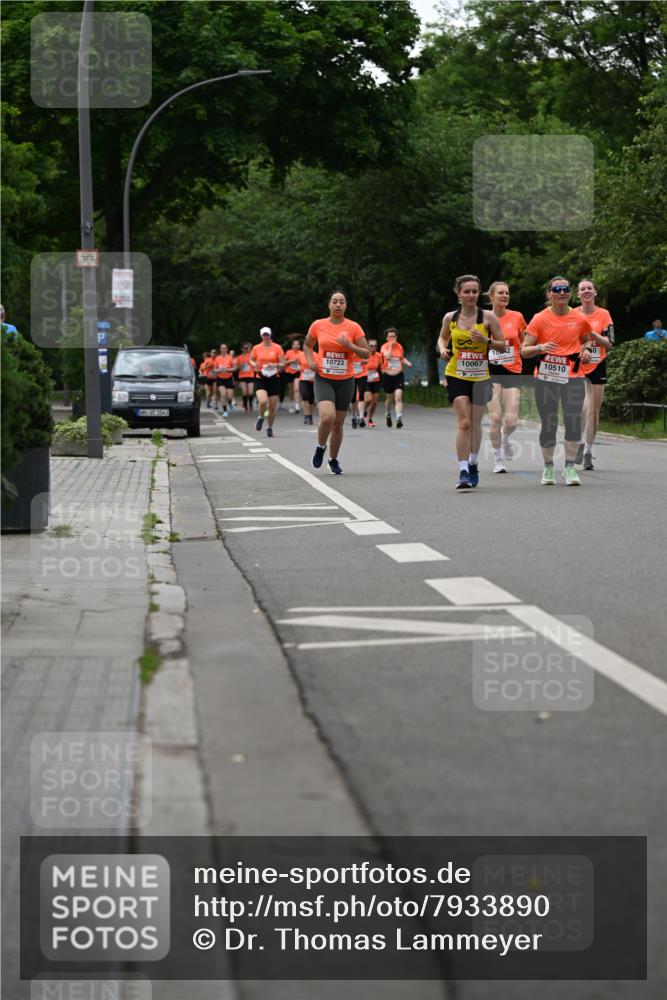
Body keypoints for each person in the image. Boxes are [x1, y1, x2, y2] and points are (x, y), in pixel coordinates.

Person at [521, 276, 595, 486]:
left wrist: (587, 349)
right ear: (549, 294)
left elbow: (586, 338)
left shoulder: (579, 318)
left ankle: (570, 467)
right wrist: (539, 348)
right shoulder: (539, 319)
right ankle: (548, 467)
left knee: (573, 421)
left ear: (570, 293)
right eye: (557, 289)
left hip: (572, 376)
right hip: (546, 378)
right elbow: (524, 351)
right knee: (549, 423)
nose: (562, 292)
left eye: (565, 289)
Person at [437, 274, 505, 489]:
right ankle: (464, 470)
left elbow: (503, 346)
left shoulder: (488, 317)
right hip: (456, 373)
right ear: (458, 294)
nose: (471, 295)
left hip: (481, 376)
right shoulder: (450, 318)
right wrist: (442, 349)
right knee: (464, 422)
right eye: (467, 291)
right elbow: (442, 337)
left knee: (475, 422)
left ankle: (474, 462)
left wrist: (486, 341)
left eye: (475, 291)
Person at [304, 290, 369, 474]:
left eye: (342, 301)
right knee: (327, 416)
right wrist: (310, 361)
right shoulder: (318, 325)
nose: (338, 304)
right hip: (324, 378)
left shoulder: (354, 327)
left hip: (345, 380)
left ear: (346, 305)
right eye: (335, 301)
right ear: (329, 305)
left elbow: (365, 353)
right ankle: (320, 446)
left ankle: (333, 460)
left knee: (338, 424)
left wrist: (349, 345)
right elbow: (308, 345)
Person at [485, 282, 527, 473]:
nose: (504, 295)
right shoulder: (483, 318)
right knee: (495, 418)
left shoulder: (517, 316)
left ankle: (505, 438)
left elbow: (526, 340)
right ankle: (498, 459)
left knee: (511, 421)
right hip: (490, 371)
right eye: (500, 293)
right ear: (491, 296)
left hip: (512, 370)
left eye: (507, 293)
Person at [575, 279, 614, 470]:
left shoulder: (604, 314)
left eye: (589, 288)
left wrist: (593, 334)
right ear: (578, 294)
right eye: (583, 289)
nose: (586, 291)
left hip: (598, 364)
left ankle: (588, 450)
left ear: (595, 292)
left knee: (593, 410)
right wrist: (582, 349)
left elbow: (609, 343)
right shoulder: (572, 314)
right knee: (581, 407)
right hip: (577, 364)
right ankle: (580, 443)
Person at [250, 327, 285, 437]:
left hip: (274, 378)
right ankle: (261, 417)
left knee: (272, 406)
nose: (265, 337)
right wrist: (253, 364)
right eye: (264, 335)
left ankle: (269, 427)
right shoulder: (256, 348)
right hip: (261, 377)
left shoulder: (277, 348)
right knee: (263, 401)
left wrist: (274, 365)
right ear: (261, 336)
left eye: (267, 334)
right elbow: (251, 359)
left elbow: (283, 363)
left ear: (270, 335)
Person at [380, 328, 412, 428]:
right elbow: (388, 356)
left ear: (396, 337)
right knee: (389, 398)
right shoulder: (384, 347)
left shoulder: (399, 347)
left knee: (398, 397)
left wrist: (407, 363)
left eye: (393, 336)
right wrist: (391, 346)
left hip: (398, 375)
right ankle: (388, 414)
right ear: (386, 338)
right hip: (388, 375)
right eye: (390, 337)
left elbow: (401, 358)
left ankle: (398, 418)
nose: (392, 338)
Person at [363, 340, 382, 426]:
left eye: (375, 345)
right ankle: (363, 410)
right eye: (371, 345)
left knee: (374, 402)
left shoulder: (379, 355)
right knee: (368, 399)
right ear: (367, 346)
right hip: (365, 379)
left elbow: (381, 367)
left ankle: (370, 419)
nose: (373, 347)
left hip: (375, 379)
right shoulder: (364, 354)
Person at [213, 343, 235, 417]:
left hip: (229, 378)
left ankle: (229, 402)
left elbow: (234, 368)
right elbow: (214, 369)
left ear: (227, 349)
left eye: (225, 348)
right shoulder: (217, 358)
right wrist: (219, 370)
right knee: (223, 394)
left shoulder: (230, 358)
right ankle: (225, 411)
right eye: (222, 348)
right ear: (220, 349)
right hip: (220, 378)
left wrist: (228, 369)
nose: (223, 349)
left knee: (230, 397)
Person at [297, 345, 317, 425]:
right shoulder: (300, 355)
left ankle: (310, 415)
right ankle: (306, 415)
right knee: (305, 396)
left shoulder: (315, 355)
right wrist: (299, 367)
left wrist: (314, 374)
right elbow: (298, 363)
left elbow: (318, 366)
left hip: (312, 379)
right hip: (303, 378)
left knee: (311, 399)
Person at [282, 338, 303, 413]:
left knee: (296, 389)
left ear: (299, 346)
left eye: (297, 344)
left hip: (298, 372)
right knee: (291, 390)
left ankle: (297, 405)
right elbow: (283, 362)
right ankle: (292, 403)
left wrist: (300, 365)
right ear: (292, 346)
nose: (296, 345)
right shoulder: (288, 352)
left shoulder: (302, 353)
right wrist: (291, 361)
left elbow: (304, 363)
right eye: (294, 344)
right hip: (289, 372)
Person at [234, 342, 255, 413]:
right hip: (242, 376)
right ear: (242, 349)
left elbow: (256, 363)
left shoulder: (251, 356)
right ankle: (246, 407)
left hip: (250, 375)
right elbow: (236, 368)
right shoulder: (239, 357)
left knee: (251, 392)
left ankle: (251, 404)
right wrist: (240, 366)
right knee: (245, 392)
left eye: (247, 348)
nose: (246, 349)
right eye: (244, 348)